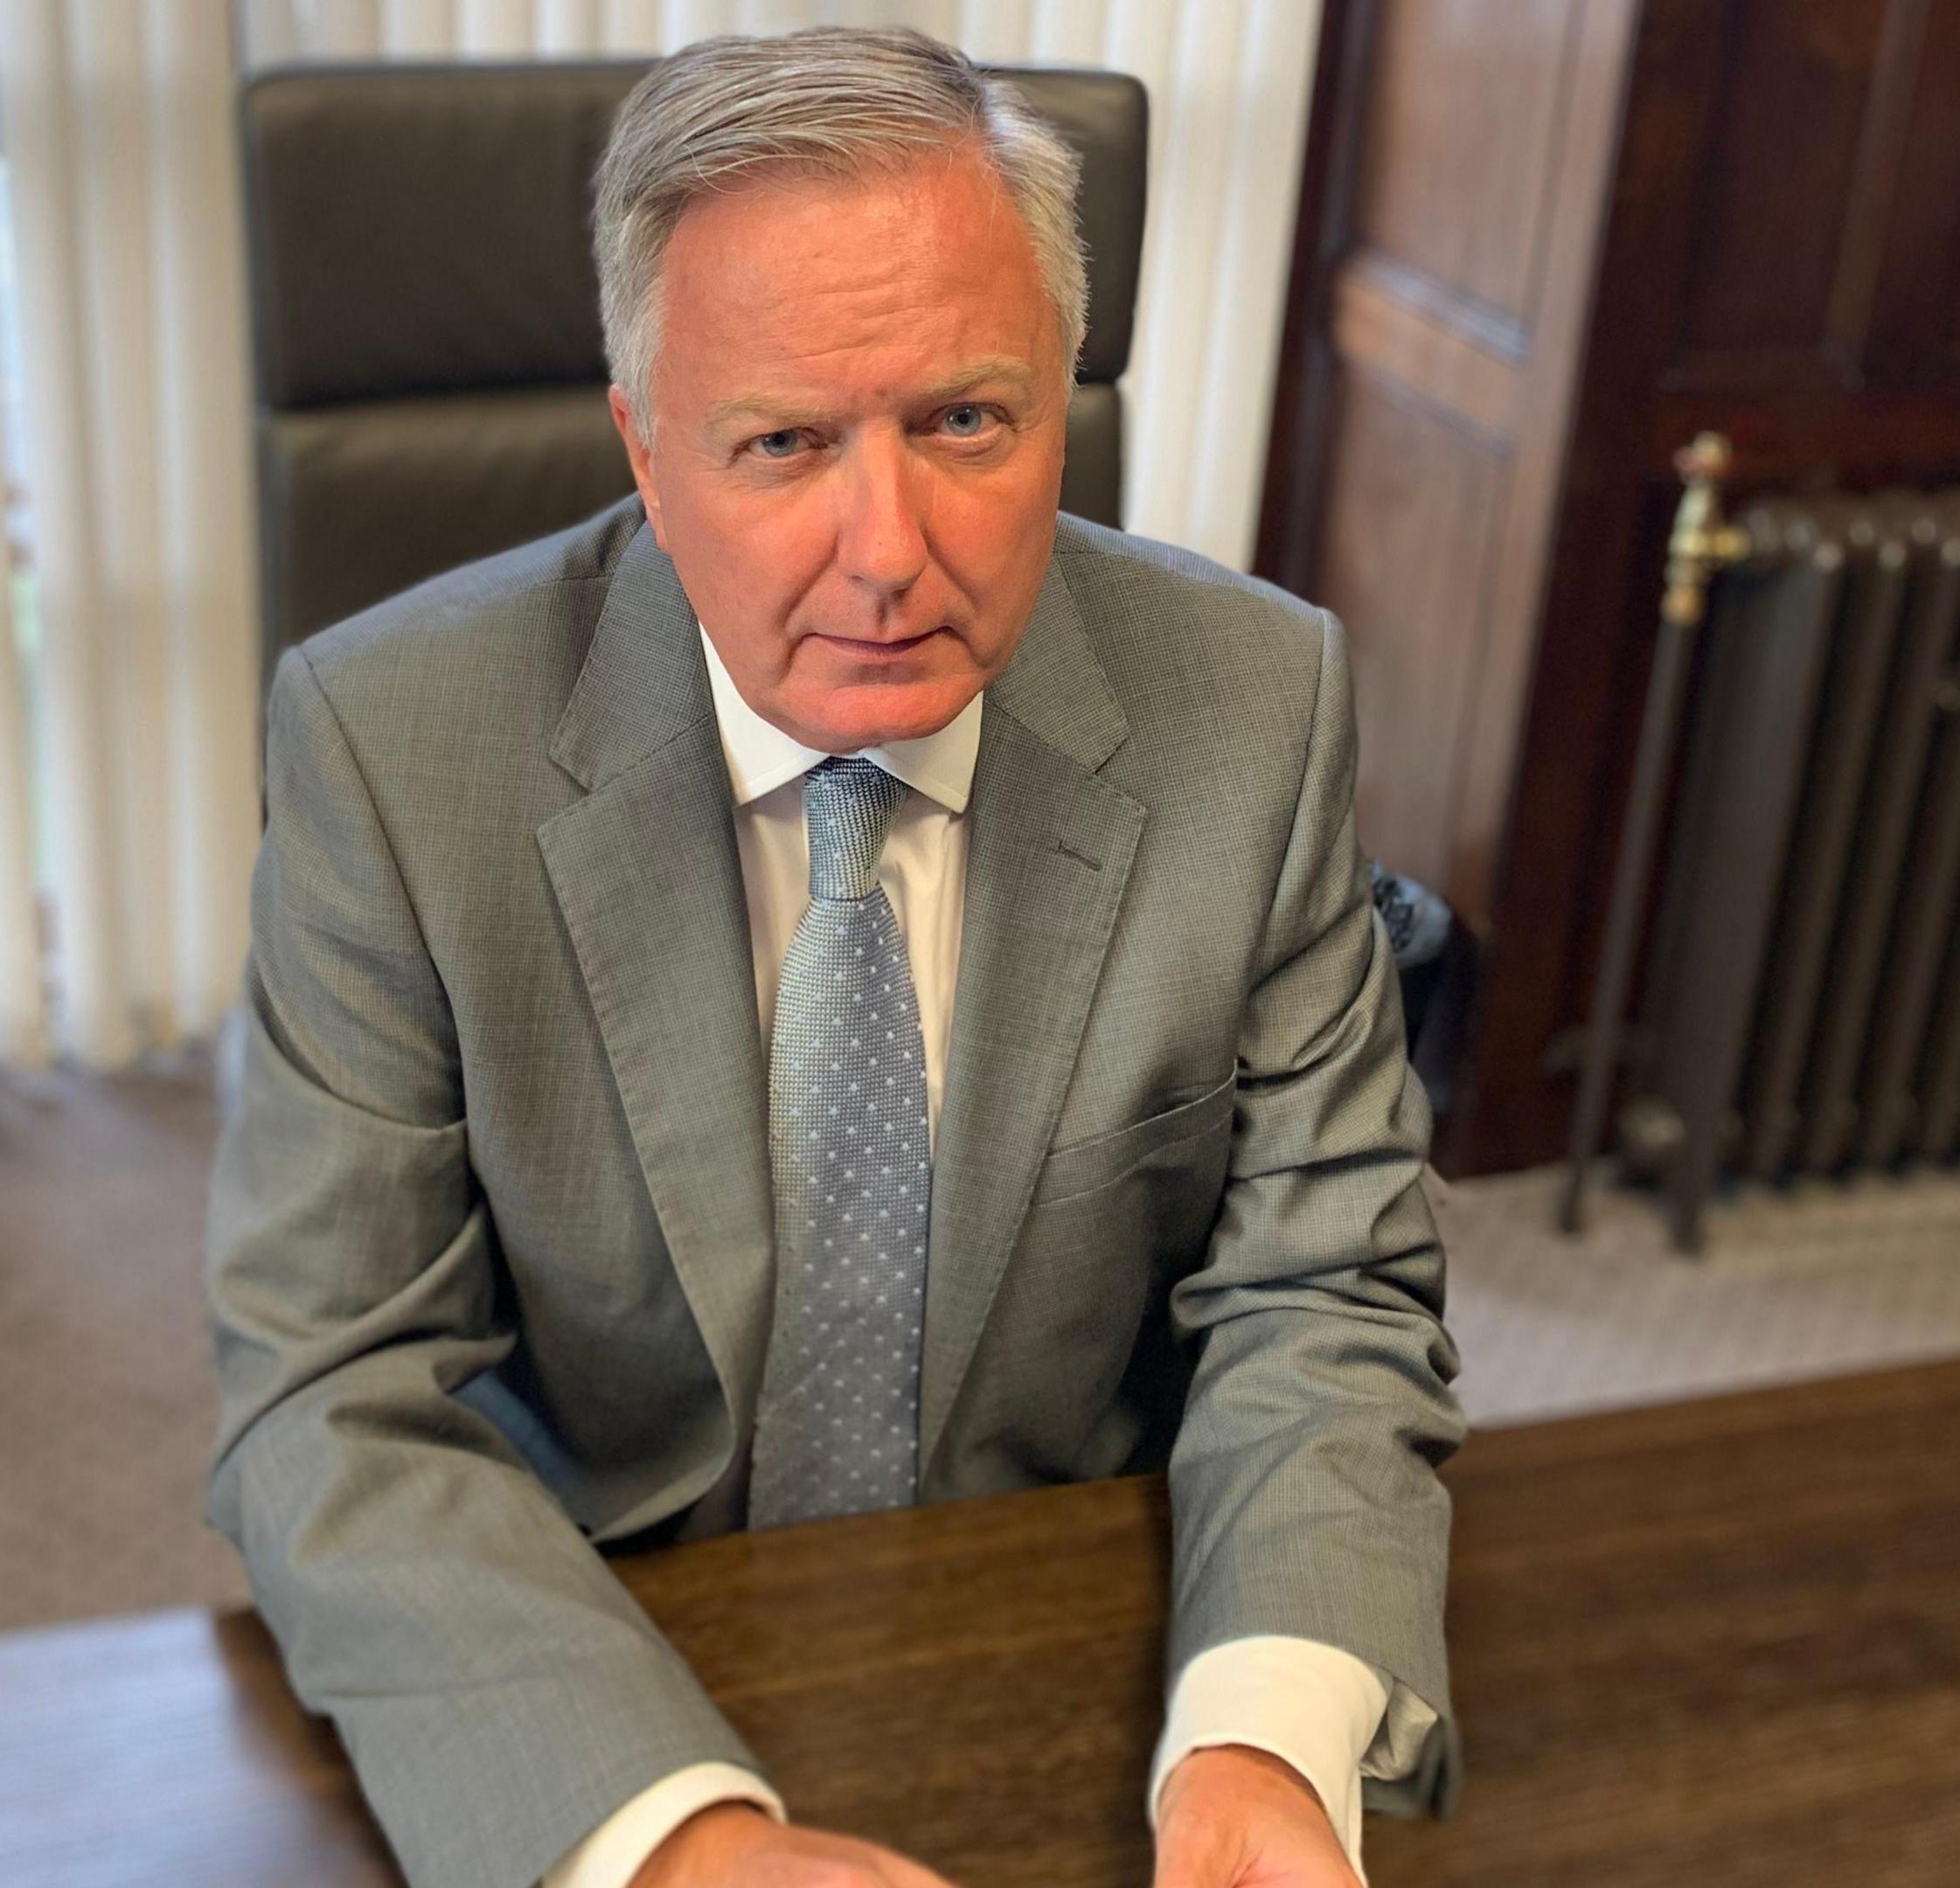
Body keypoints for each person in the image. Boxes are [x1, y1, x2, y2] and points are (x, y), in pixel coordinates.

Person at [206, 27, 1464, 1888]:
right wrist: (667, 1841)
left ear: (1061, 399)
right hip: (596, 1637)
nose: (889, 553)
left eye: (968, 421)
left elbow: (1329, 1287)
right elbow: (328, 1390)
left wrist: (1269, 1736)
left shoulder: (1255, 707)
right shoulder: (395, 750)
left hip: (1082, 1636)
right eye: (785, 442)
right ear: (647, 444)